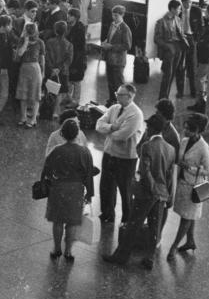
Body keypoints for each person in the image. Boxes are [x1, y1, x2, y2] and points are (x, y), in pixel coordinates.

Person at [104, 114, 175, 270]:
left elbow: (145, 171)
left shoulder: (147, 147)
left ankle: (121, 256)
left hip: (147, 193)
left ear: (152, 129)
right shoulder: (170, 149)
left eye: (148, 127)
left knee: (133, 225)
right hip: (162, 194)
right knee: (154, 226)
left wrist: (152, 188)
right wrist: (166, 194)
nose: (147, 129)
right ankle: (149, 257)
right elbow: (170, 175)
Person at [40, 118, 95, 262]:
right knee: (72, 222)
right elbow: (89, 174)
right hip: (76, 190)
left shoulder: (57, 150)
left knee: (58, 221)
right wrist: (89, 193)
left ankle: (56, 248)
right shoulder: (84, 152)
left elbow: (47, 169)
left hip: (58, 189)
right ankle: (68, 251)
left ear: (62, 134)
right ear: (77, 134)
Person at [95, 83, 144, 225]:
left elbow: (122, 135)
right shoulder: (114, 108)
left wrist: (108, 131)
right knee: (106, 186)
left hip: (125, 158)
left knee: (125, 189)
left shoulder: (136, 114)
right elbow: (99, 124)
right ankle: (107, 213)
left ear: (130, 97)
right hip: (109, 153)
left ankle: (127, 219)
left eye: (120, 94)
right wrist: (111, 127)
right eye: (117, 93)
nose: (116, 96)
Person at [167, 112, 209, 258]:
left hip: (195, 187)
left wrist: (189, 168)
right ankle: (190, 241)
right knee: (189, 215)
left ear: (198, 130)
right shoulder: (185, 141)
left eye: (189, 129)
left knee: (186, 217)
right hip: (184, 183)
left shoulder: (204, 148)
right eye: (185, 128)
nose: (185, 131)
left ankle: (173, 247)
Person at [101, 5, 133, 103]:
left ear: (122, 15)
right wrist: (106, 42)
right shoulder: (112, 24)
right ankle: (112, 100)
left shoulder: (125, 29)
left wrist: (111, 46)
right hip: (110, 58)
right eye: (113, 15)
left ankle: (121, 103)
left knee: (118, 83)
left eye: (116, 16)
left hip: (118, 61)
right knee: (110, 82)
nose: (114, 18)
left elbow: (127, 46)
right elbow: (110, 37)